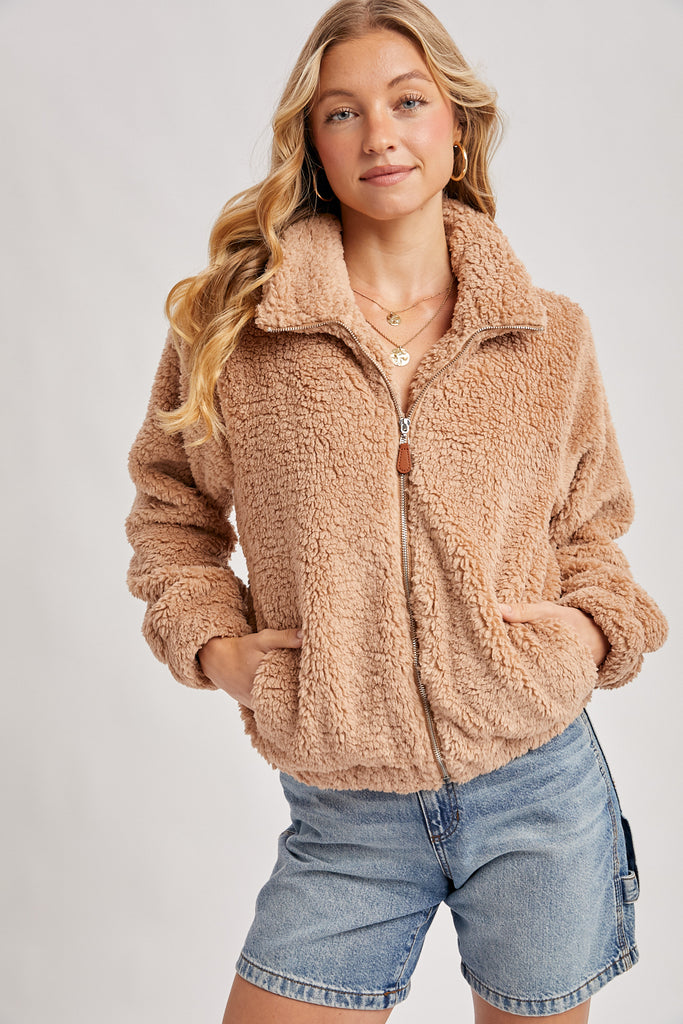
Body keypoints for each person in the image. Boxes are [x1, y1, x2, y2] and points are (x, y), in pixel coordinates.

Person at [125, 1, 669, 1020]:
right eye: (343, 111)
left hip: (537, 790)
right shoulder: (235, 328)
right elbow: (169, 511)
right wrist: (216, 649)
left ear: (456, 125)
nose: (378, 133)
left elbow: (591, 526)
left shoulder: (546, 335)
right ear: (312, 142)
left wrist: (589, 632)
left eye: (407, 102)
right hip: (346, 810)